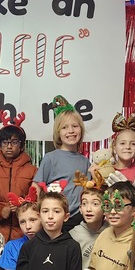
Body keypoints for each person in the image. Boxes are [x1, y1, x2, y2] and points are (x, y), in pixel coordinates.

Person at [0, 112, 37, 242]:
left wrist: (22, 207)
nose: (9, 146)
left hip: (25, 235)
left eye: (14, 142)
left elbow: (38, 200)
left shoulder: (33, 171)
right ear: (0, 145)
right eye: (5, 142)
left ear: (22, 146)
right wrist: (1, 211)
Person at [32, 96, 90, 226]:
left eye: (75, 126)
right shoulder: (50, 158)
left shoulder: (85, 162)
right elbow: (36, 188)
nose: (71, 131)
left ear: (81, 129)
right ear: (58, 132)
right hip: (55, 219)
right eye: (64, 127)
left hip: (79, 219)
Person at [0, 199, 41, 270]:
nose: (28, 226)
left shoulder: (49, 244)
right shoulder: (12, 246)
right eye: (22, 222)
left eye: (33, 220)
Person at [68, 187, 107, 269]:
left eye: (95, 204)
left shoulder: (112, 231)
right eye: (84, 204)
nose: (88, 209)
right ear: (80, 209)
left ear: (105, 208)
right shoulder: (73, 235)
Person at [109, 113, 135, 183]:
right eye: (122, 143)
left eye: (133, 144)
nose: (128, 147)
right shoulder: (107, 169)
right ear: (114, 147)